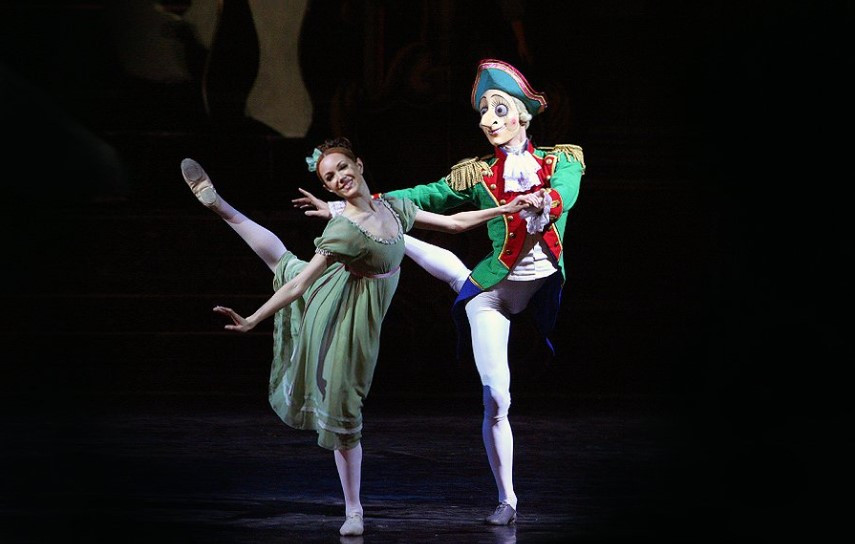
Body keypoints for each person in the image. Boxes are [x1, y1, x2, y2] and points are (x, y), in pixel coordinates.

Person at [180, 137, 538, 536]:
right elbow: (299, 285)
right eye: (329, 178)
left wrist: (503, 209)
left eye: (342, 168)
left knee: (282, 261)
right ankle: (354, 510)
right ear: (329, 188)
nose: (339, 178)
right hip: (343, 308)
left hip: (362, 299)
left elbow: (454, 224)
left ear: (359, 165)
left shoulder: (395, 207)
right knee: (341, 399)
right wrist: (253, 319)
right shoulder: (343, 229)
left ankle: (220, 205)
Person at [293, 58, 585, 525]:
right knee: (497, 399)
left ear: (523, 114)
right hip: (492, 294)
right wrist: (359, 205)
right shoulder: (478, 175)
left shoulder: (561, 161)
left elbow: (566, 193)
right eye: (484, 112)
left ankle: (404, 241)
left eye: (499, 109)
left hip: (539, 286)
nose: (489, 120)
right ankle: (508, 500)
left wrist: (545, 200)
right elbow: (426, 195)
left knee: (456, 276)